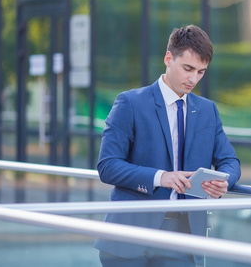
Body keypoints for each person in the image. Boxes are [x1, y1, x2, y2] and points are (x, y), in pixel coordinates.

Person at [94, 24, 241, 267]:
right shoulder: (129, 102)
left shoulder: (207, 111)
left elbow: (230, 161)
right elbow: (108, 166)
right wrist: (160, 177)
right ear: (168, 58)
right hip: (129, 235)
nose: (194, 78)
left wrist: (223, 181)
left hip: (182, 237)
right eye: (188, 69)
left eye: (201, 72)